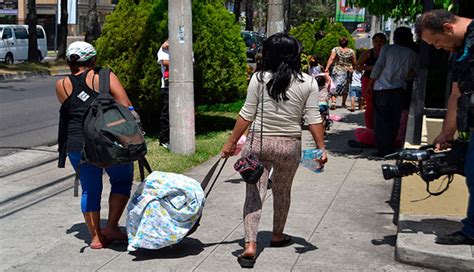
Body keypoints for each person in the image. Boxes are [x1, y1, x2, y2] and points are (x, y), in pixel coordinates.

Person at [220, 33, 327, 268]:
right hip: (290, 146)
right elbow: (313, 118)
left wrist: (230, 143)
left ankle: (250, 245)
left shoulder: (258, 78)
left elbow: (246, 114)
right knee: (282, 191)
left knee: (254, 195)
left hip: (259, 143)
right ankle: (278, 235)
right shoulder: (308, 82)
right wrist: (321, 148)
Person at [56, 41, 134, 249]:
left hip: (76, 143)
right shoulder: (104, 77)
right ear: (93, 59)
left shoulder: (61, 84)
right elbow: (126, 105)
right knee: (122, 179)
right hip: (107, 142)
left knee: (89, 190)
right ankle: (111, 226)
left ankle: (96, 237)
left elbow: (73, 109)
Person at [416, 9, 474, 245]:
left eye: (437, 42)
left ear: (448, 28)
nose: (438, 48)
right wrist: (447, 131)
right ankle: (471, 229)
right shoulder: (460, 51)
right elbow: (456, 93)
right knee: (472, 174)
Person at [367, 27, 418, 157]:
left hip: (382, 89)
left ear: (395, 38)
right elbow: (414, 72)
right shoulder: (411, 53)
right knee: (394, 120)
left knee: (381, 120)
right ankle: (390, 147)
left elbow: (378, 67)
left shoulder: (387, 49)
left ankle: (382, 148)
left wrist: (370, 84)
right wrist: (402, 76)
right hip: (399, 90)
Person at [356, 33, 387, 128]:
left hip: (383, 81)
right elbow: (358, 66)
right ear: (373, 42)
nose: (378, 44)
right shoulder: (368, 53)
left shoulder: (387, 53)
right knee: (370, 105)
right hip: (368, 79)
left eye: (381, 41)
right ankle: (370, 127)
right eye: (376, 41)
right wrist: (373, 68)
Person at [325, 37, 356, 110]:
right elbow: (354, 61)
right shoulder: (351, 51)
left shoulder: (335, 49)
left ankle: (333, 102)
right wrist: (354, 68)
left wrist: (327, 68)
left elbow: (332, 58)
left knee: (334, 85)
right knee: (346, 86)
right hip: (347, 70)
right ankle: (343, 103)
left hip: (337, 70)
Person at [157, 39, 170, 149]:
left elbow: (191, 62)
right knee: (167, 113)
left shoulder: (186, 48)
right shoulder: (163, 50)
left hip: (183, 86)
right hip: (167, 85)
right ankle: (164, 139)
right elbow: (165, 62)